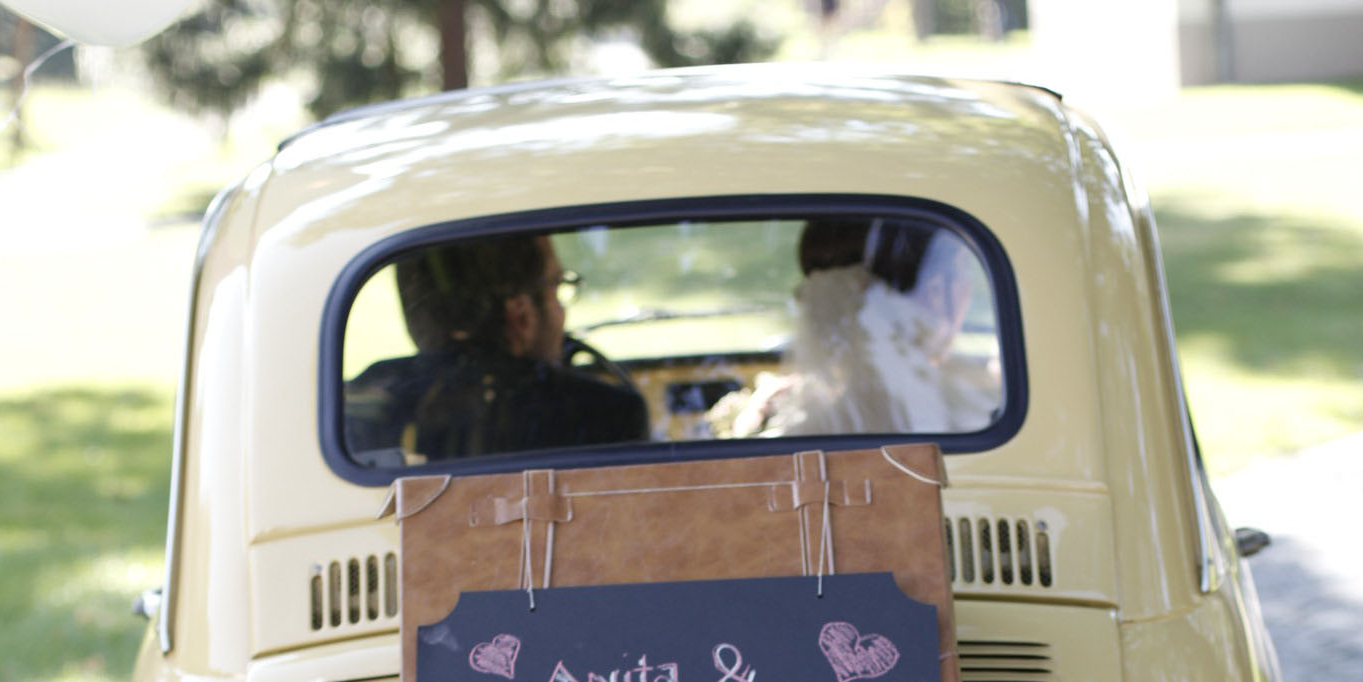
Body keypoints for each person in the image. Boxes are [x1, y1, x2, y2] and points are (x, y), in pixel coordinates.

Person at [346, 231, 647, 464]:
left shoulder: (359, 405)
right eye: (556, 286)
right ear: (522, 316)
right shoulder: (608, 412)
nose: (561, 310)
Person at [716, 214, 999, 440]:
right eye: (964, 271)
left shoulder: (812, 416)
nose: (968, 290)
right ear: (936, 290)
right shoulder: (972, 409)